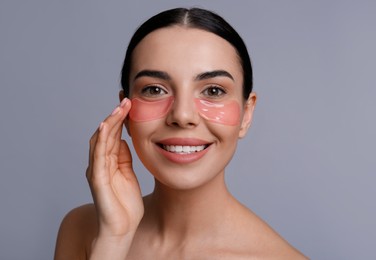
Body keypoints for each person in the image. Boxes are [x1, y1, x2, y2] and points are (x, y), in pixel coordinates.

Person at [54, 7, 307, 259]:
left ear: (246, 113)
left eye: (213, 91)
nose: (182, 115)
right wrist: (114, 239)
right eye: (154, 90)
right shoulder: (83, 230)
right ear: (125, 109)